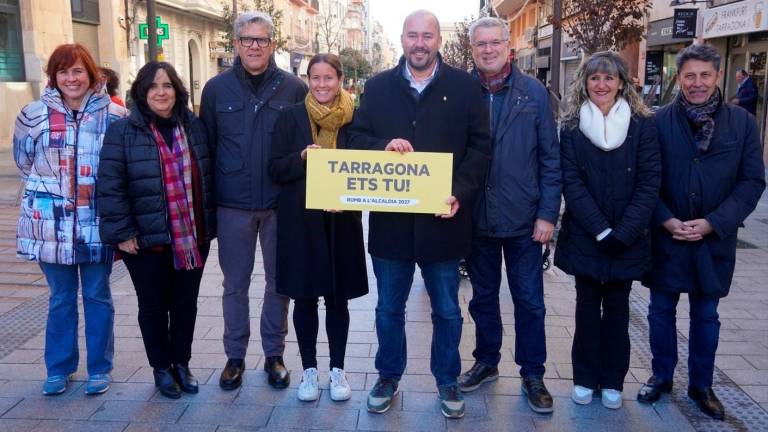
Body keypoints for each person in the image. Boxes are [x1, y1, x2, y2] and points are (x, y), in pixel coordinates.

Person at [348, 9, 491, 419]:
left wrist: (459, 192)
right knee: (388, 308)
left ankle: (447, 380)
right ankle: (388, 376)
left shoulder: (465, 88)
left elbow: (481, 148)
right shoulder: (376, 89)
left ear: (438, 41)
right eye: (413, 35)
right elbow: (355, 138)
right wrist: (381, 148)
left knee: (446, 309)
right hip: (391, 227)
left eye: (427, 36)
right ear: (403, 39)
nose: (420, 43)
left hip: (443, 223)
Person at [639, 44, 765, 420]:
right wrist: (665, 218)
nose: (697, 83)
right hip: (668, 236)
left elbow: (752, 181)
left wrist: (714, 223)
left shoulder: (742, 124)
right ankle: (661, 376)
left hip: (714, 241)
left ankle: (701, 384)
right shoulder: (657, 121)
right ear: (679, 78)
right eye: (690, 76)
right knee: (660, 311)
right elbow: (646, 178)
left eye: (704, 75)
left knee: (706, 315)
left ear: (718, 76)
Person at [199, 11, 307, 391]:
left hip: (280, 203)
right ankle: (234, 357)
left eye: (261, 39)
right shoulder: (216, 90)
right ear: (236, 43)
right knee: (235, 283)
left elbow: (303, 148)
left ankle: (274, 355)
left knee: (279, 283)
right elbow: (206, 150)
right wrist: (207, 209)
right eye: (247, 39)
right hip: (233, 203)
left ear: (273, 44)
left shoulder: (294, 88)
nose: (254, 46)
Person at [458, 17, 561, 415]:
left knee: (530, 302)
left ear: (508, 48)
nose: (487, 49)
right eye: (480, 44)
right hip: (477, 217)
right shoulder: (460, 92)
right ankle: (487, 360)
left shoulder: (534, 94)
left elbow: (551, 160)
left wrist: (548, 215)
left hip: (524, 221)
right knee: (482, 298)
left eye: (494, 43)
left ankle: (533, 373)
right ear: (472, 49)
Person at [13, 43, 127, 396]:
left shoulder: (115, 116)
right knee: (61, 297)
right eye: (63, 72)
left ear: (92, 74)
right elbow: (24, 161)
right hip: (51, 226)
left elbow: (122, 168)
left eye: (78, 70)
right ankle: (59, 369)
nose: (71, 78)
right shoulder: (32, 115)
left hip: (98, 224)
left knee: (97, 295)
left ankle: (99, 368)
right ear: (54, 77)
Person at [98, 61, 215, 399]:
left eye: (167, 85)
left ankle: (182, 362)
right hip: (145, 240)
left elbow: (206, 175)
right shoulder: (124, 130)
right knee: (152, 305)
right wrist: (122, 232)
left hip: (192, 236)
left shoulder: (193, 126)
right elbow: (111, 185)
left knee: (185, 304)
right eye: (153, 87)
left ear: (177, 90)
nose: (161, 92)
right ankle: (161, 368)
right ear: (141, 92)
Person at [555, 51, 661, 410]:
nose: (602, 85)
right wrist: (601, 230)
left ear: (621, 83)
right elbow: (570, 181)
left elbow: (650, 182)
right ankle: (584, 378)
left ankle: (613, 380)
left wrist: (624, 231)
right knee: (586, 308)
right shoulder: (571, 126)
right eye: (595, 78)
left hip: (627, 238)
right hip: (587, 235)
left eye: (609, 78)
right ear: (584, 82)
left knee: (617, 310)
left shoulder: (643, 125)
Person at [269, 53, 369, 403]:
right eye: (316, 78)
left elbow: (368, 166)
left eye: (329, 78)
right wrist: (299, 158)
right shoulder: (291, 117)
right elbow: (274, 168)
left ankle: (338, 369)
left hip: (341, 220)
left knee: (337, 297)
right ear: (307, 80)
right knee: (305, 296)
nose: (322, 84)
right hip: (301, 220)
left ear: (341, 79)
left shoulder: (356, 120)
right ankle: (309, 369)